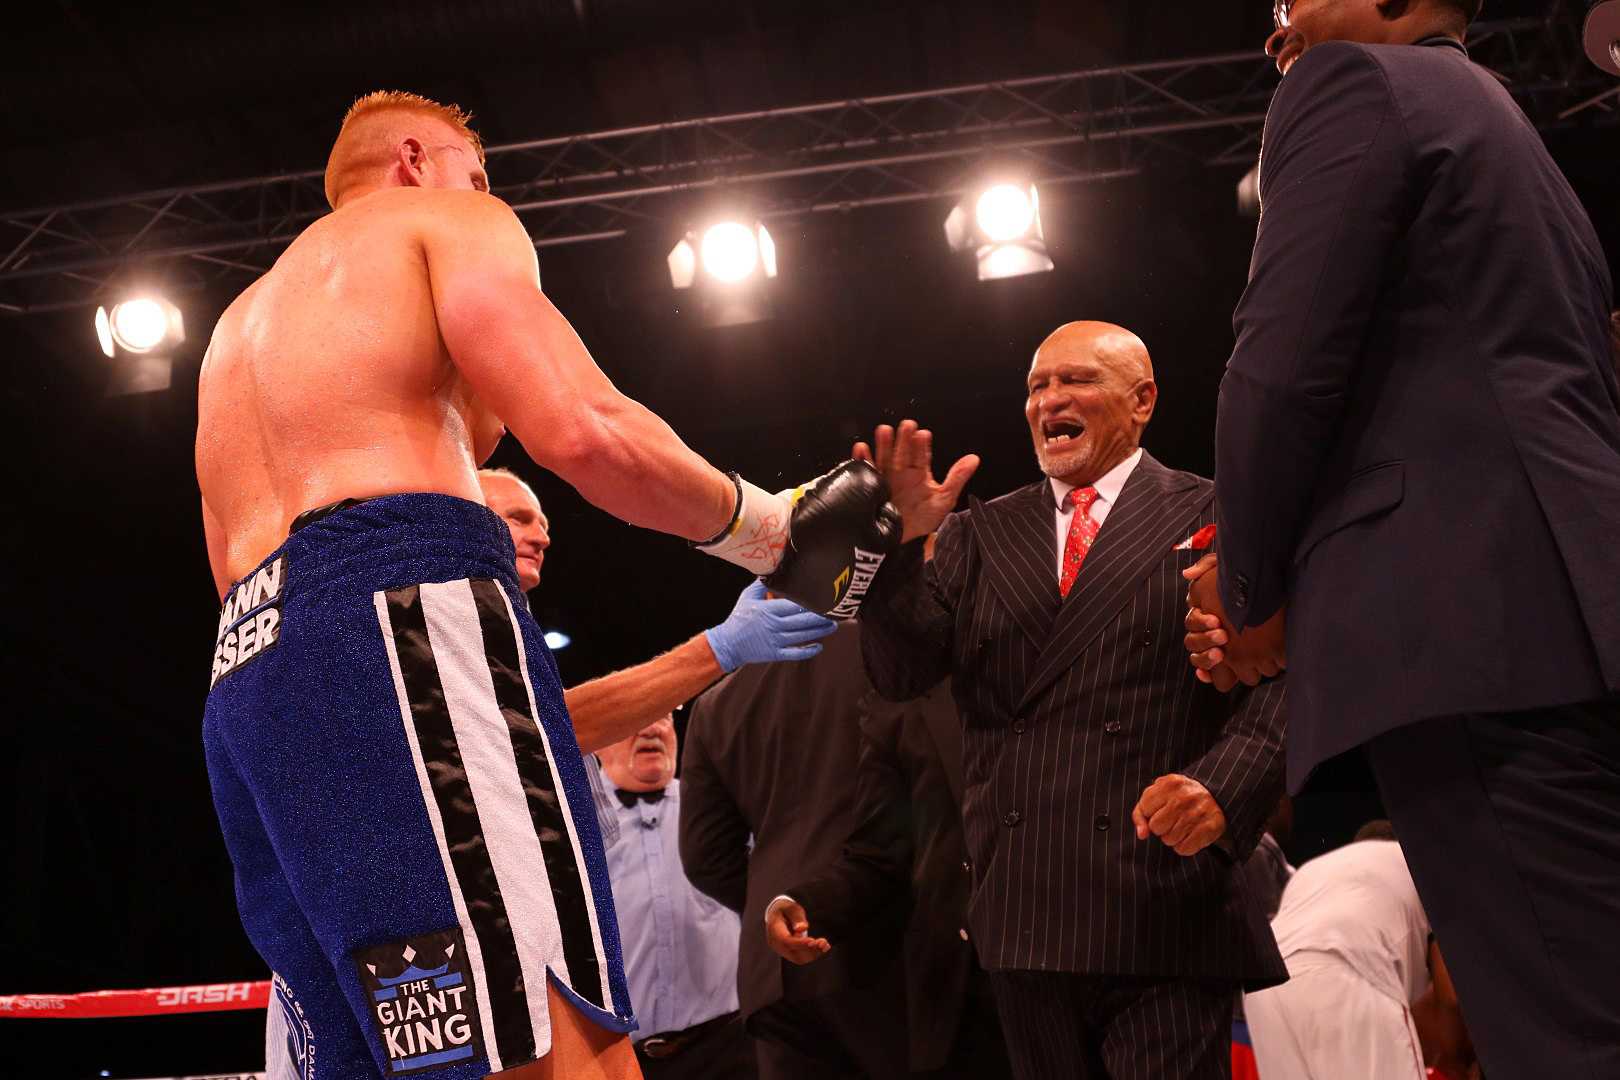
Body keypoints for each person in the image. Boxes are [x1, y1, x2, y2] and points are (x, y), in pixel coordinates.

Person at [199, 90, 894, 1080]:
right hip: (399, 605)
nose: (490, 194)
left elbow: (242, 559)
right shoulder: (448, 220)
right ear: (413, 160)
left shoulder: (237, 332)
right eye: (477, 172)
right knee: (552, 1035)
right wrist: (769, 530)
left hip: (250, 672)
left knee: (402, 1050)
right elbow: (583, 429)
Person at [1183, 2, 1620, 1074]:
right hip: (1566, 614)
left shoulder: (1355, 84)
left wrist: (1248, 585)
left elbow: (1278, 367)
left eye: (1290, 1)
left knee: (1566, 1035)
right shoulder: (1506, 126)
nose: (1277, 35)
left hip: (1471, 634)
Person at [854, 321, 1288, 1079]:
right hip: (1026, 911)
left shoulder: (1218, 514)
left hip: (1165, 897)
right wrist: (898, 555)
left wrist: (1224, 789)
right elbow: (898, 676)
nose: (1049, 399)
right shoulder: (977, 535)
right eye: (1037, 386)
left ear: (1142, 400)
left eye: (1076, 380)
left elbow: (1286, 676)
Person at [679, 623, 912, 1080]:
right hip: (886, 944)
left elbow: (705, 859)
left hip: (771, 976)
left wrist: (780, 911)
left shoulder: (715, 704)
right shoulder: (892, 656)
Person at [477, 467, 837, 753]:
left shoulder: (515, 622)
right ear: (464, 520)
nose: (543, 539)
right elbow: (544, 729)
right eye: (519, 518)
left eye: (543, 525)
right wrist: (718, 649)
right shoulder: (464, 618)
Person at [764, 680, 1014, 1079]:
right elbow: (878, 854)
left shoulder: (1073, 671)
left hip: (1077, 962)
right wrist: (802, 906)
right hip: (964, 994)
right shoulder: (896, 704)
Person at [595, 715, 758, 1080]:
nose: (651, 728)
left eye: (664, 716)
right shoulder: (573, 824)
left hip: (727, 1047)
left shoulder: (721, 810)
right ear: (600, 741)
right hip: (615, 1056)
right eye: (635, 717)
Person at [1242, 822, 1472, 1080]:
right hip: (1346, 972)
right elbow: (1451, 996)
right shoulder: (1426, 869)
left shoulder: (1323, 868)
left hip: (1265, 992)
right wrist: (1453, 1062)